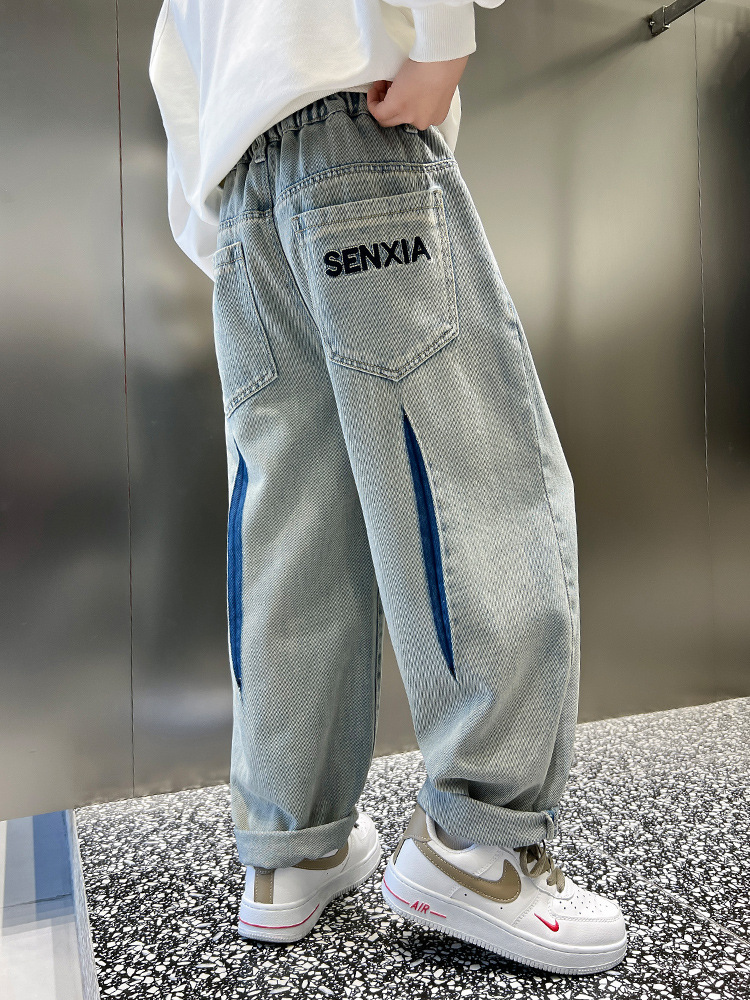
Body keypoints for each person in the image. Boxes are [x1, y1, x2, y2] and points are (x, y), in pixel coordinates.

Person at [149, 0, 627, 976]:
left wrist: (220, 227)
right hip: (356, 121)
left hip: (240, 198)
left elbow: (175, 67)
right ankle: (477, 849)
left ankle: (291, 849)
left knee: (292, 519)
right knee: (475, 478)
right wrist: (441, 38)